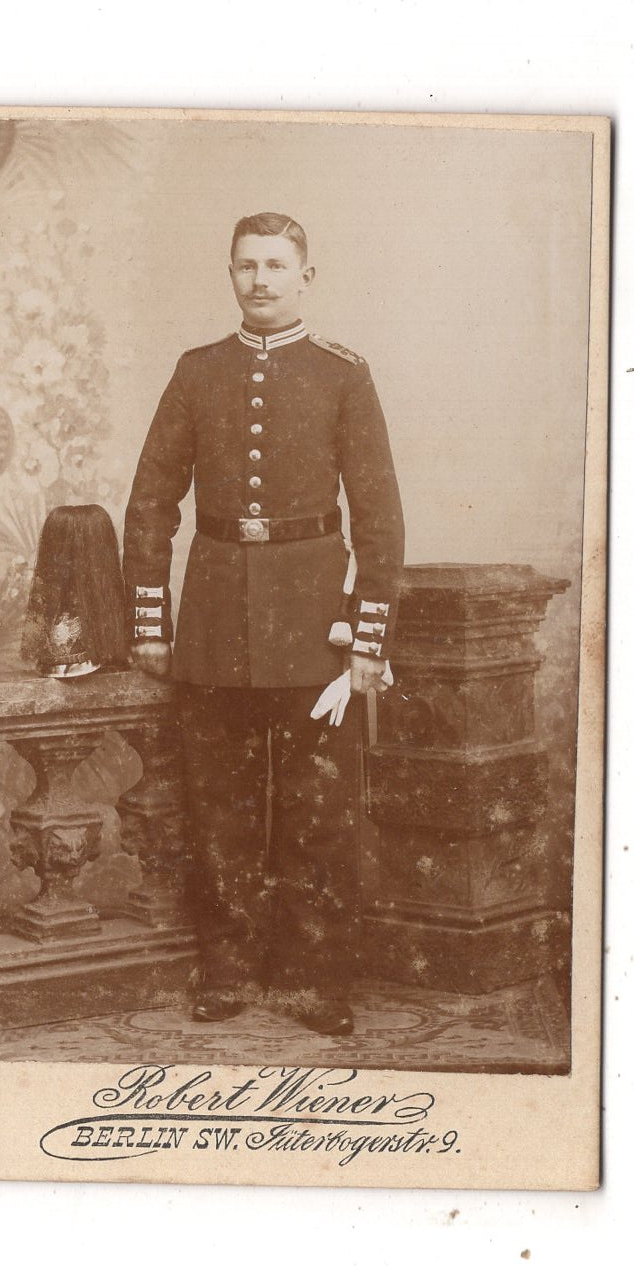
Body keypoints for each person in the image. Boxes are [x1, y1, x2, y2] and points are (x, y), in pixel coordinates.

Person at [122, 212, 404, 1035]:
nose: (260, 280)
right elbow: (150, 500)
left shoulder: (342, 374)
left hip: (313, 622)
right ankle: (228, 968)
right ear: (231, 274)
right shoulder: (198, 371)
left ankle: (315, 979)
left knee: (320, 811)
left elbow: (378, 516)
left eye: (276, 265)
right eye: (246, 265)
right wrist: (150, 617)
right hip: (214, 618)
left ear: (305, 277)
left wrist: (369, 638)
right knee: (219, 806)